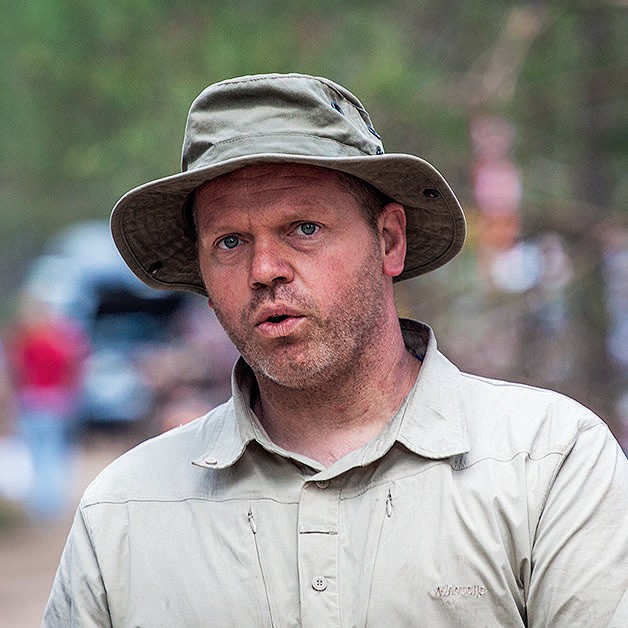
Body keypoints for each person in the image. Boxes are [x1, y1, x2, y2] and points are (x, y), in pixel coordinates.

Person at [43, 73, 627, 626]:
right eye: (230, 241)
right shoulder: (124, 514)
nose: (264, 270)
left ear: (388, 241)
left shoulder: (545, 464)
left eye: (304, 228)